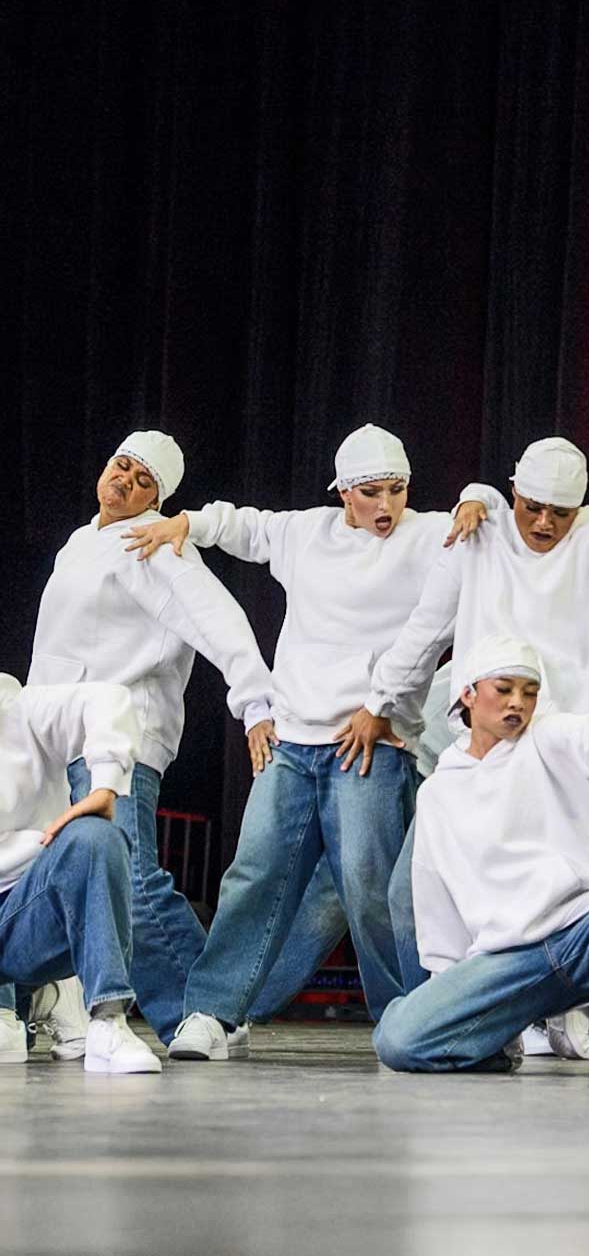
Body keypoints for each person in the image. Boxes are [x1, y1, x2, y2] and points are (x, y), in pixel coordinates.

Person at [116, 425, 492, 1059]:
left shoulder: (431, 535)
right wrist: (189, 524)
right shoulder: (307, 534)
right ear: (344, 494)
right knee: (253, 874)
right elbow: (248, 527)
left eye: (397, 490)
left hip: (371, 743)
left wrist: (480, 493)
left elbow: (499, 524)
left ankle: (411, 1021)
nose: (386, 505)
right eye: (371, 492)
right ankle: (213, 1012)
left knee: (372, 889)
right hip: (295, 740)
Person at [353, 436, 589, 1064]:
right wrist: (381, 704)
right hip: (485, 754)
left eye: (562, 512)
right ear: (513, 493)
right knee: (417, 894)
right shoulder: (480, 533)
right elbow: (424, 634)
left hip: (567, 755)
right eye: (533, 508)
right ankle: (473, 1024)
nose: (545, 523)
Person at [29, 432, 274, 1048]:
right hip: (57, 737)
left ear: (157, 500)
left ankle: (207, 1011)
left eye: (145, 482)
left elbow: (217, 619)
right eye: (122, 466)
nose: (126, 483)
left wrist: (256, 703)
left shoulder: (153, 545)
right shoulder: (80, 542)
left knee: (130, 880)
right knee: (64, 878)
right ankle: (70, 1008)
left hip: (119, 739)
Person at [372, 636, 589, 1078]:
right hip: (508, 963)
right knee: (398, 1038)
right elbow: (437, 904)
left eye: (529, 693)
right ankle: (497, 1041)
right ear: (468, 694)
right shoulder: (438, 791)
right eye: (504, 689)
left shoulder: (550, 737)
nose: (518, 703)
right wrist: (454, 999)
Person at [0, 671, 159, 1073]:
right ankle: (40, 1001)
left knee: (94, 837)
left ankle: (108, 1021)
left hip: (25, 911)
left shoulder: (19, 709)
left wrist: (105, 784)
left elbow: (107, 698)